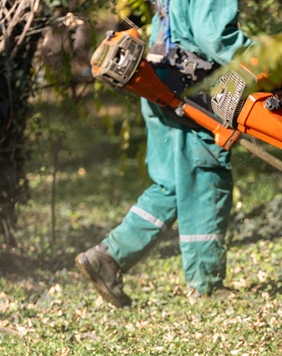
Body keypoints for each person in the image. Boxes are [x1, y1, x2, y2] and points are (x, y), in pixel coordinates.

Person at [76, 1, 250, 307]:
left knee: (171, 183)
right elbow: (215, 37)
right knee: (204, 178)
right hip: (191, 94)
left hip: (158, 82)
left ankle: (109, 257)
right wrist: (268, 58)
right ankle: (206, 284)